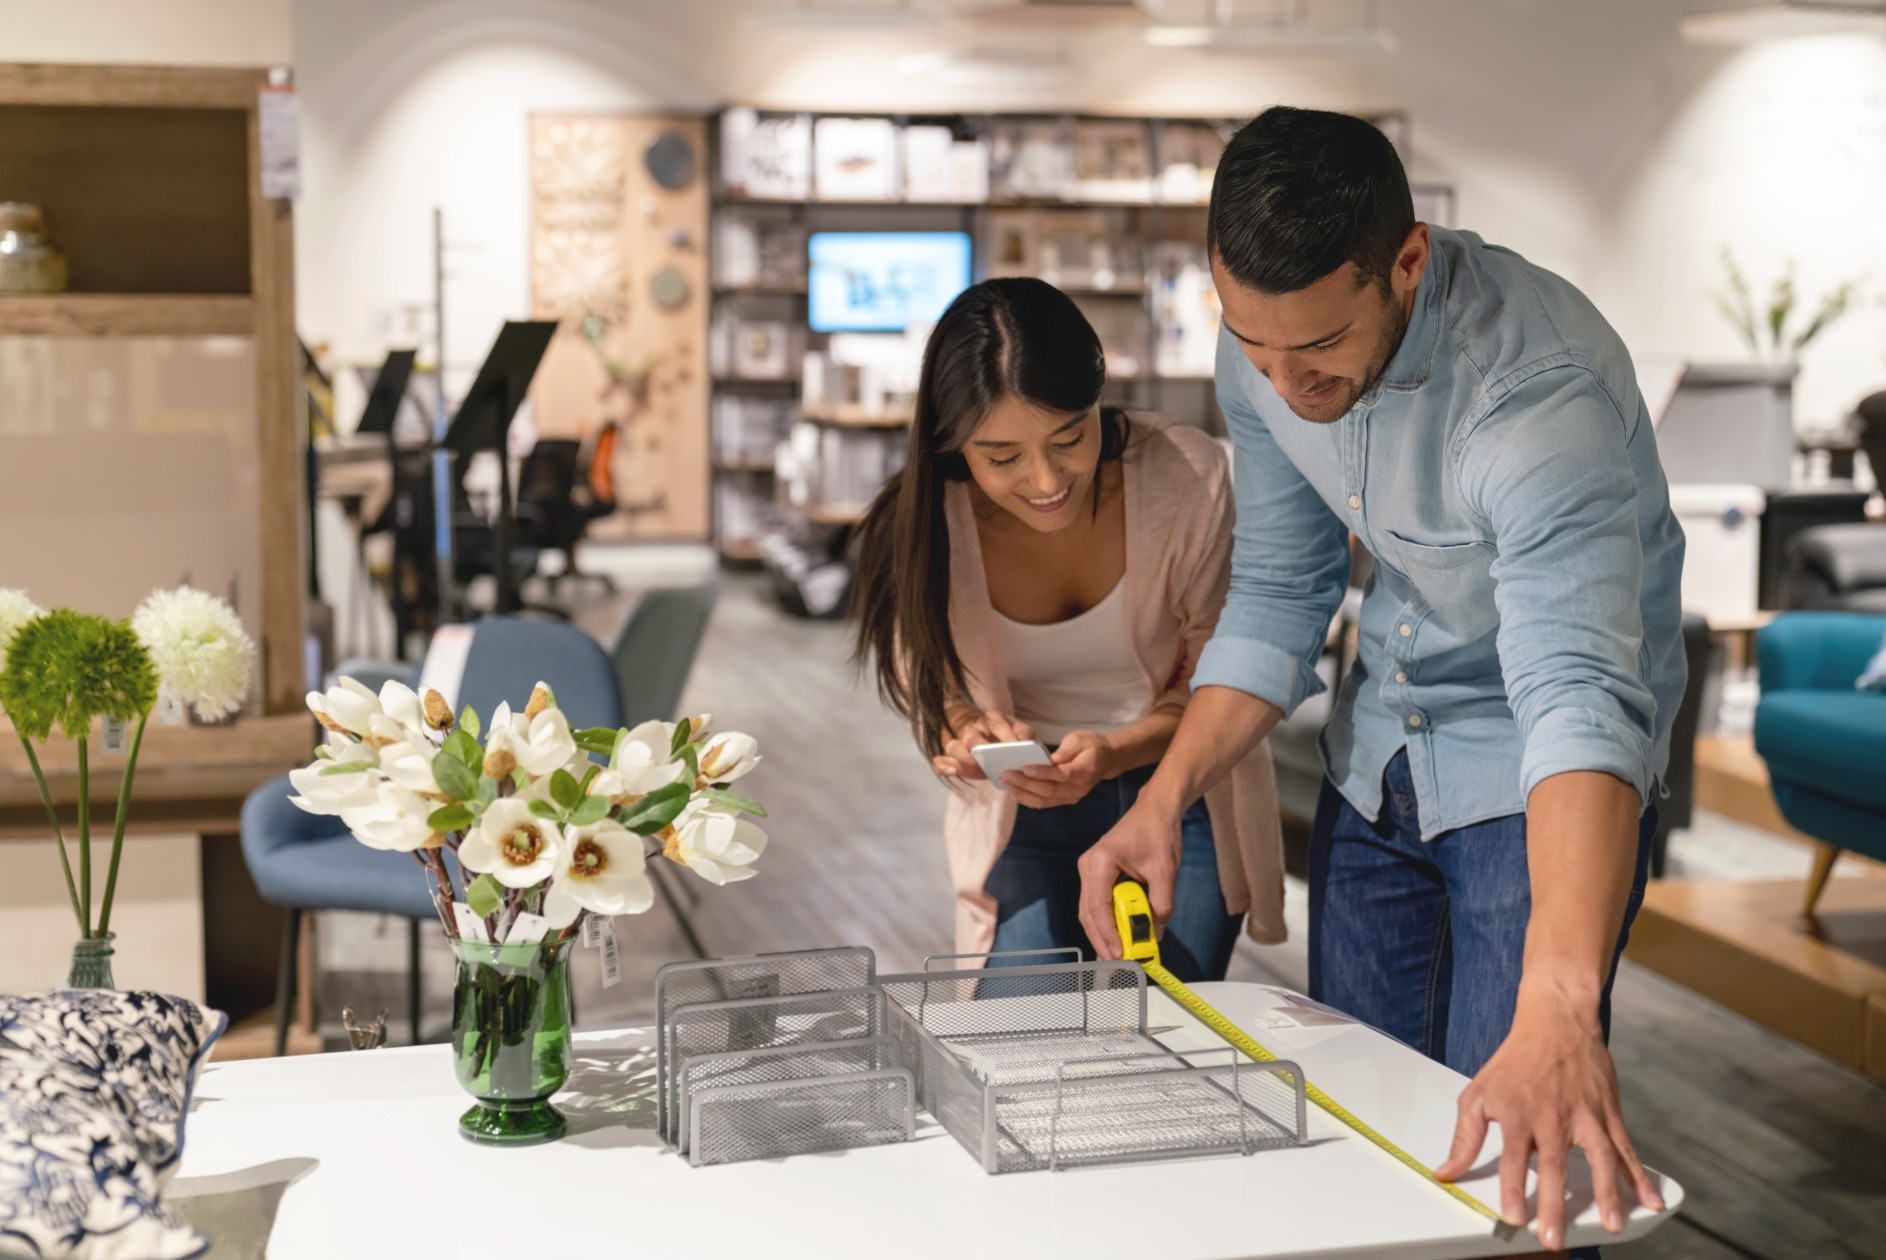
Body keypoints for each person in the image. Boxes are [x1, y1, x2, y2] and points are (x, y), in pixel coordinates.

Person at [1075, 107, 1682, 1253]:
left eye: (1315, 352)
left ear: (1405, 259)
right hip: (1380, 753)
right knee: (1357, 1136)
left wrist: (1558, 1000)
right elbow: (1274, 597)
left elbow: (1577, 699)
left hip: (1532, 772)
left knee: (1505, 1163)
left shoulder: (1532, 400)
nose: (1281, 381)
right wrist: (1157, 802)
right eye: (1252, 348)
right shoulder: (1259, 348)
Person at [851, 277, 1284, 982]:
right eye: (1003, 457)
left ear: (1098, 398)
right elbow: (926, 679)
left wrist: (1116, 752)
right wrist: (964, 731)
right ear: (954, 442)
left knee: (1164, 1033)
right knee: (1022, 1044)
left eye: (1068, 437)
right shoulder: (926, 521)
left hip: (1180, 794)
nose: (1047, 478)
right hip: (1022, 811)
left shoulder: (1182, 475)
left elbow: (1220, 674)